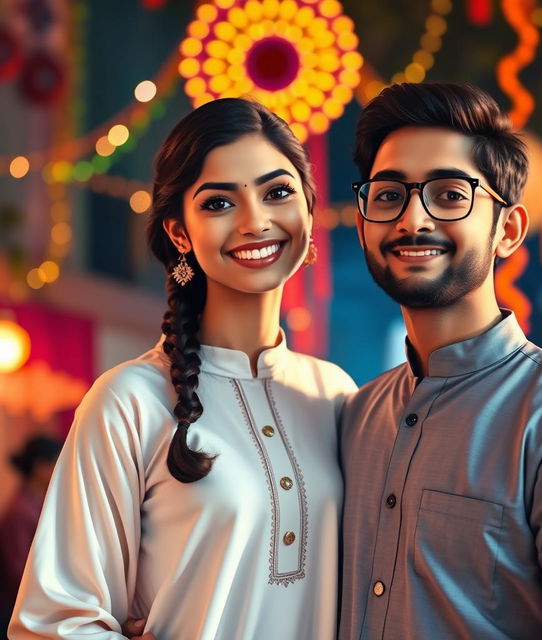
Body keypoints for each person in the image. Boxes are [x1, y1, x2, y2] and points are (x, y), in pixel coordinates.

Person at [9, 98, 356, 640]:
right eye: (219, 202)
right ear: (179, 233)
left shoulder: (336, 394)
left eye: (279, 192)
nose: (255, 220)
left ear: (309, 212)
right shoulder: (128, 400)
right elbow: (52, 623)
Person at [339, 82, 542, 639]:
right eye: (388, 196)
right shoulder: (354, 417)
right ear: (362, 222)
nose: (412, 220)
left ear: (509, 230)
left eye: (450, 195)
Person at [0, 435, 62, 637]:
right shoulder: (21, 511)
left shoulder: (37, 503)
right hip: (21, 612)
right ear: (40, 467)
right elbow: (20, 573)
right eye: (57, 462)